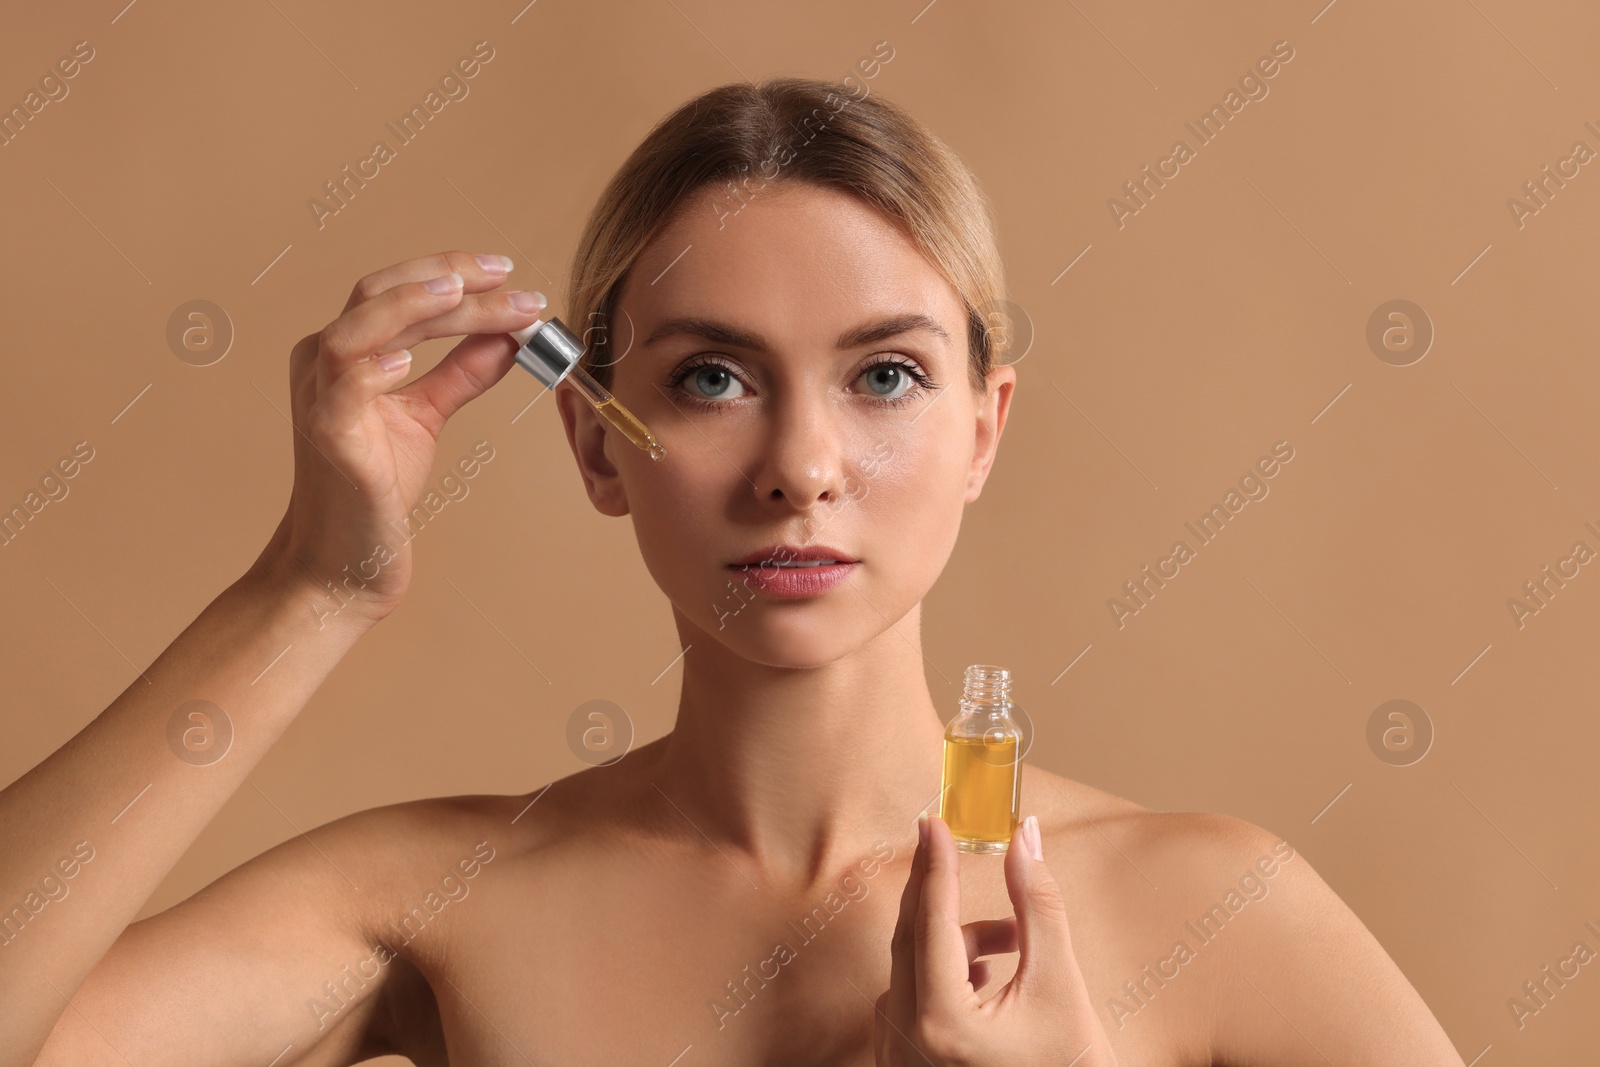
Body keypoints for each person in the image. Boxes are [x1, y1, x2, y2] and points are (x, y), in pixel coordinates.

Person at [4, 77, 1463, 1066]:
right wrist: (306, 592)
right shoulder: (439, 896)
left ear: (982, 428)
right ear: (595, 441)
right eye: (711, 376)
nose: (800, 467)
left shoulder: (1215, 909)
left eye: (885, 376)